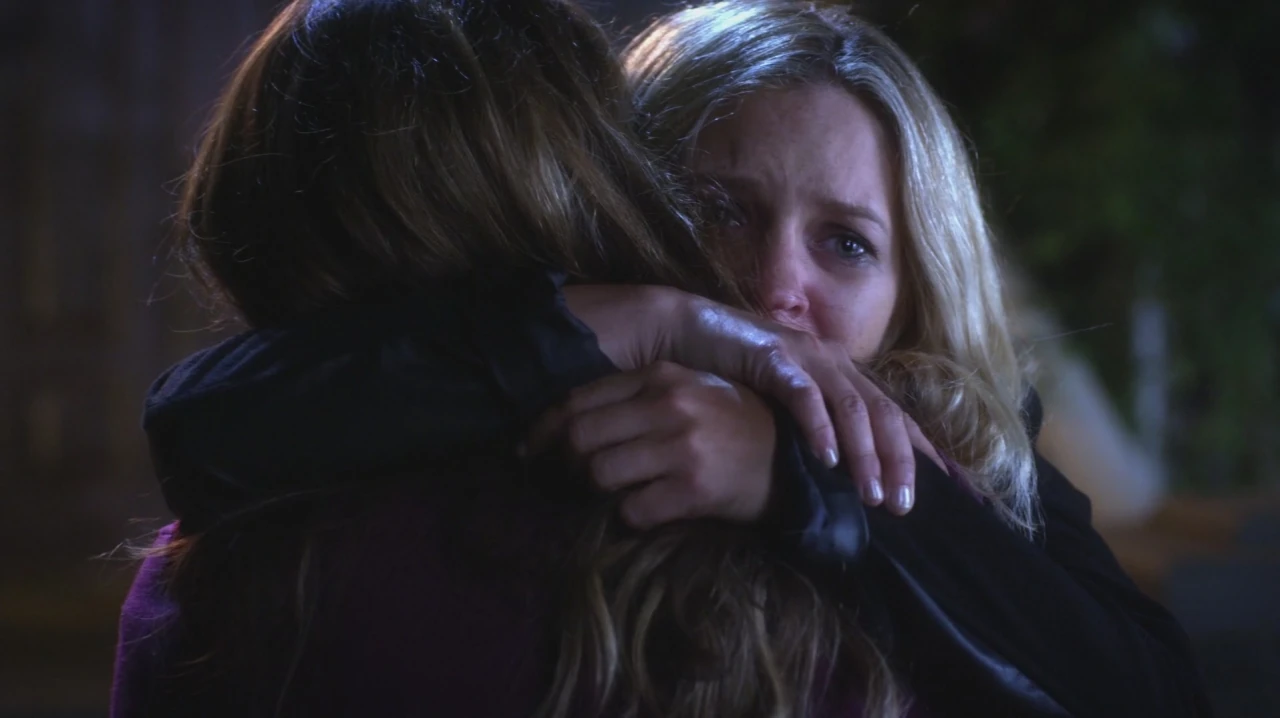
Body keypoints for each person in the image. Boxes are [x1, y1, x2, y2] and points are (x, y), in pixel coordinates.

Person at [113, 1, 1211, 716]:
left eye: (845, 243)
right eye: (719, 208)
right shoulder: (532, 383)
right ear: (619, 203)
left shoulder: (976, 443)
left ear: (912, 294)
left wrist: (805, 477)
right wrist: (620, 321)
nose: (774, 286)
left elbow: (1150, 694)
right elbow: (209, 420)